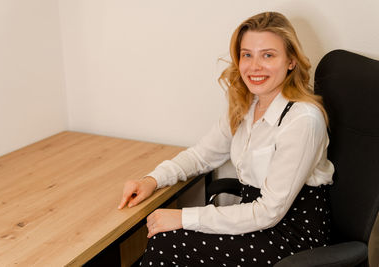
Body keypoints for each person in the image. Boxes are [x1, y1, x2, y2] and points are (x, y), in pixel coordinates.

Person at [118, 11, 334, 267]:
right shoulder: (247, 105)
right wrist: (152, 180)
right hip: (256, 222)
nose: (254, 66)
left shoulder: (303, 120)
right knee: (164, 240)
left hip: (292, 238)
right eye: (247, 55)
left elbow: (269, 212)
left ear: (291, 61)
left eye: (268, 55)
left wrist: (184, 218)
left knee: (168, 243)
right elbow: (201, 156)